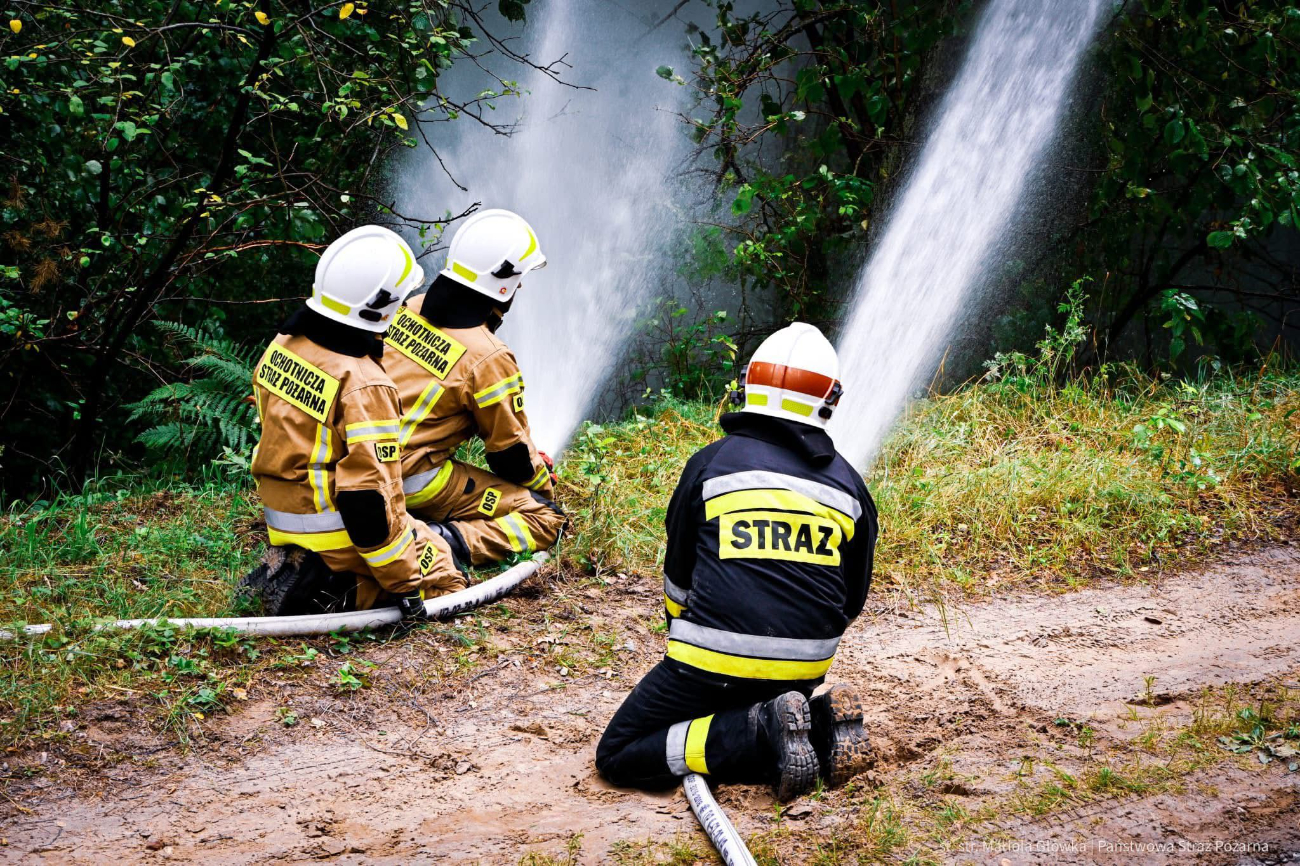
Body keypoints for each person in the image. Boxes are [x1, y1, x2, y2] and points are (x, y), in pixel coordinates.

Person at [595, 323, 878, 800]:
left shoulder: (710, 464)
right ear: (830, 400)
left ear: (748, 385)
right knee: (769, 701)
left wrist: (695, 637)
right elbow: (852, 600)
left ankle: (761, 733)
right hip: (805, 668)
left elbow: (677, 579)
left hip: (706, 660)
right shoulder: (851, 486)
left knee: (620, 752)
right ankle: (821, 725)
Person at [248, 225, 466, 616]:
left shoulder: (283, 344)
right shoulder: (363, 383)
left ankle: (305, 571)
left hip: (281, 521)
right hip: (331, 530)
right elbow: (366, 500)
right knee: (437, 561)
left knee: (407, 538)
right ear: (380, 307)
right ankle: (333, 594)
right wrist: (407, 586)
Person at [380, 208, 565, 567]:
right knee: (545, 519)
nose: (522, 285)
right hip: (410, 478)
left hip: (363, 467)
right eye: (520, 277)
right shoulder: (488, 356)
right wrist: (543, 487)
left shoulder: (410, 309)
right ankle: (436, 545)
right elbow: (508, 455)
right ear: (503, 283)